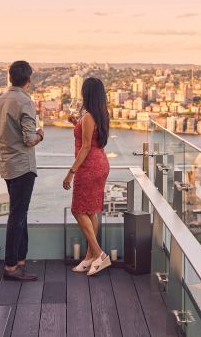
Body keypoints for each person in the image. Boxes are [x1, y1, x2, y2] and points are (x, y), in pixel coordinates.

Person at [0, 60, 44, 281]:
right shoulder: (25, 101)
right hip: (23, 166)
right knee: (17, 215)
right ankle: (11, 266)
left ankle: (20, 260)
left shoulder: (1, 100)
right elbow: (29, 139)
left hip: (7, 164)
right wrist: (41, 135)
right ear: (28, 80)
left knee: (19, 213)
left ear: (10, 77)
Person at [63, 77, 111, 276]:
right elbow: (93, 137)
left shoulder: (89, 116)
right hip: (100, 163)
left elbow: (85, 147)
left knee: (77, 209)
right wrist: (76, 122)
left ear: (87, 93)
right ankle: (90, 256)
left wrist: (70, 172)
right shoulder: (101, 114)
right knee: (91, 210)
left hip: (88, 166)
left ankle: (99, 254)